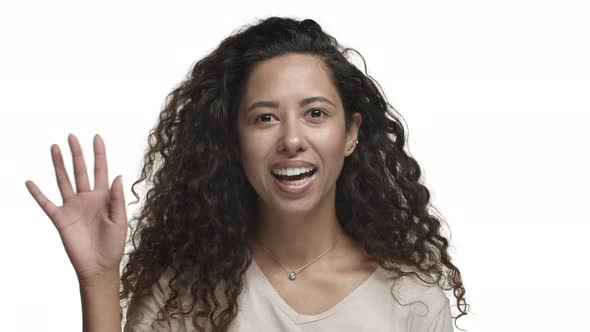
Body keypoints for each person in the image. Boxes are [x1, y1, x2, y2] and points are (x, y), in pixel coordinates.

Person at [25, 16, 469, 332]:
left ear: (350, 133)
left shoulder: (411, 298)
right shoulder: (182, 292)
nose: (292, 139)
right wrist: (99, 278)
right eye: (265, 118)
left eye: (315, 113)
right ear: (235, 140)